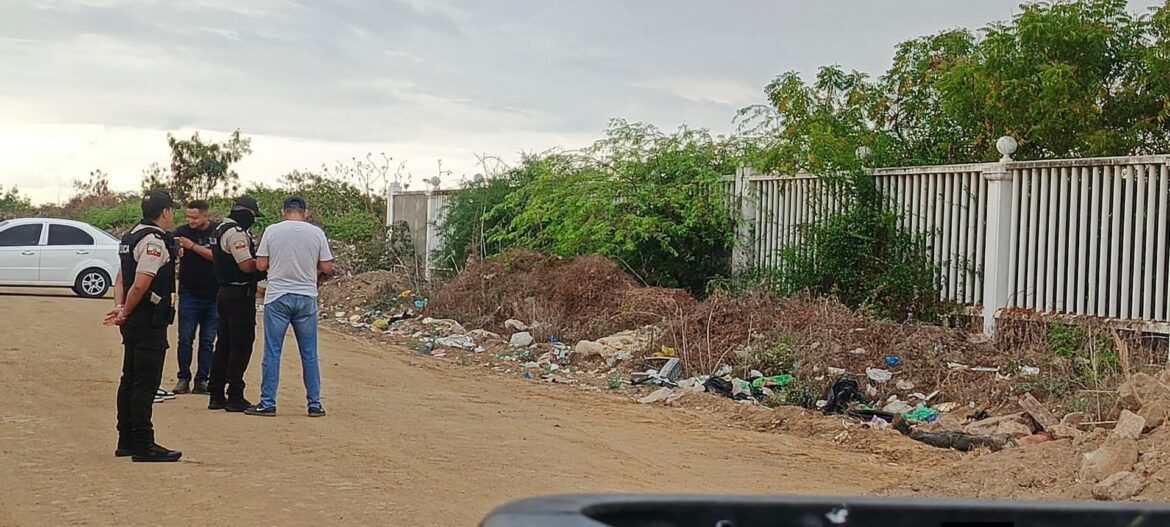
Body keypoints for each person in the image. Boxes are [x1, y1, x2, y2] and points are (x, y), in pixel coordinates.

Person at [105, 189, 182, 462]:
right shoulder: (154, 241)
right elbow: (141, 281)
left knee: (129, 379)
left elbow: (121, 279)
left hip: (132, 319)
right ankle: (143, 444)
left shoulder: (131, 236)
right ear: (165, 212)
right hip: (148, 320)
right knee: (145, 383)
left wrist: (120, 308)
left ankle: (125, 439)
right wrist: (125, 310)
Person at [245, 196, 333, 418]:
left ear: (284, 212)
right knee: (309, 353)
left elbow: (261, 264)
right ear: (305, 212)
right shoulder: (317, 233)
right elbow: (327, 266)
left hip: (277, 297)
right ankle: (314, 404)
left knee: (273, 352)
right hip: (306, 297)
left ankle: (268, 403)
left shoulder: (272, 231)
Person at [207, 196, 265, 413]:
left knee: (224, 344)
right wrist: (264, 266)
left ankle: (216, 393)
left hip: (224, 292)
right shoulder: (236, 233)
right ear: (246, 213)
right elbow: (246, 266)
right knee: (241, 344)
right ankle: (234, 395)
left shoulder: (219, 228)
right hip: (239, 294)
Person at [171, 200, 219, 395]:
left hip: (213, 296)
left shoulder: (217, 232)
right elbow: (171, 251)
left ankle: (202, 380)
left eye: (194, 217)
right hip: (189, 293)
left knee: (208, 340)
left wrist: (192, 247)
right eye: (188, 217)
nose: (190, 221)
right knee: (185, 339)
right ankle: (183, 378)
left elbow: (218, 256)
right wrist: (177, 250)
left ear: (206, 216)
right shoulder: (180, 232)